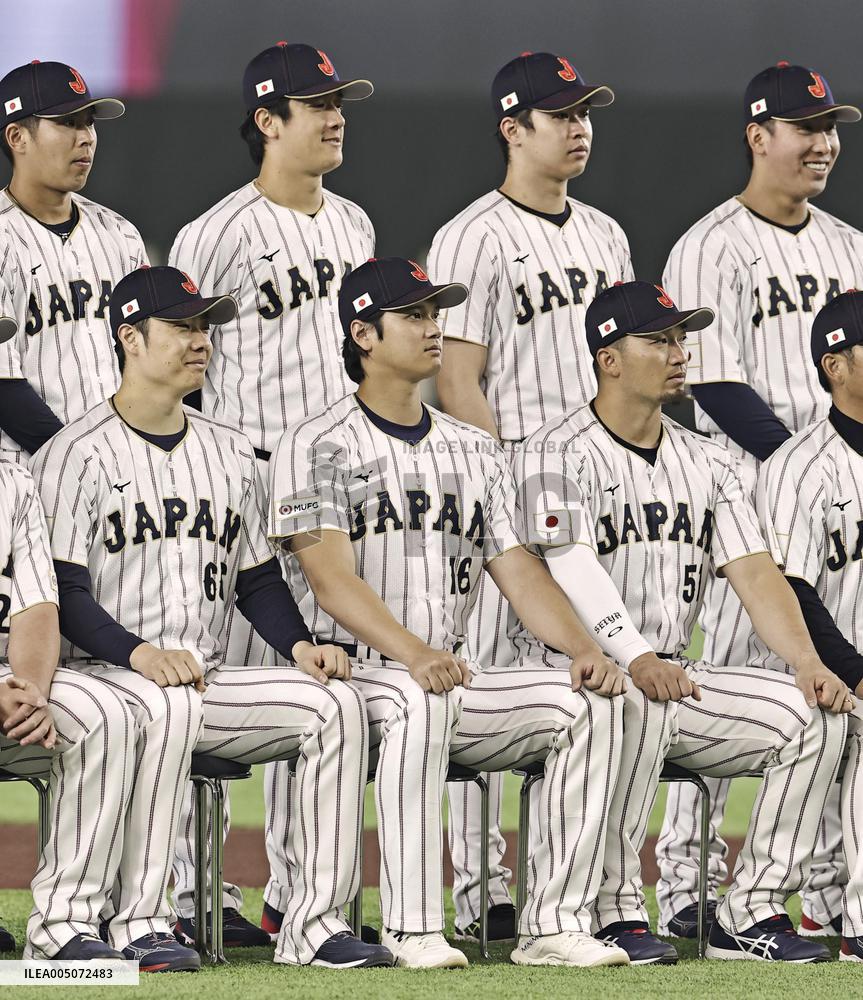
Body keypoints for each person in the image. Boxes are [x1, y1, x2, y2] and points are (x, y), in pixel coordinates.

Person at [269, 256, 635, 969]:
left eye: (435, 314)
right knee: (418, 700)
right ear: (363, 334)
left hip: (443, 675)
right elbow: (329, 578)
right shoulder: (311, 444)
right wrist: (412, 653)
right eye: (413, 315)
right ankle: (411, 927)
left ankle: (552, 925)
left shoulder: (473, 449)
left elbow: (519, 572)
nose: (433, 328)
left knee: (588, 704)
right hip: (354, 677)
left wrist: (580, 646)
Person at [29, 265, 391, 970]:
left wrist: (297, 645)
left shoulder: (230, 451)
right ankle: (140, 920)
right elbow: (64, 590)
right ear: (129, 337)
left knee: (334, 704)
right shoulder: (71, 453)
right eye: (183, 326)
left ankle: (312, 924)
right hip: (108, 672)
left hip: (203, 674)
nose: (202, 341)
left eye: (205, 327)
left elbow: (255, 577)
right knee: (161, 704)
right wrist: (136, 653)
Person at [514, 279, 851, 964]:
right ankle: (612, 911)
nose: (677, 352)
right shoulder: (548, 451)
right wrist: (634, 656)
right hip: (568, 670)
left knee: (816, 715)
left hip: (672, 670)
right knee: (632, 700)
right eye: (658, 339)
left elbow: (756, 573)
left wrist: (807, 664)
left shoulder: (712, 460)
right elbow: (568, 566)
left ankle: (749, 909)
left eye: (679, 337)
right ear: (608, 357)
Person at [168, 41, 375, 943]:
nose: (333, 115)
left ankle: (296, 895)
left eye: (338, 101)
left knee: (318, 684)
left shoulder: (356, 225)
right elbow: (177, 371)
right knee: (198, 694)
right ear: (266, 119)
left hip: (328, 492)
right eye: (313, 103)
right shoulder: (213, 235)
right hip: (239, 492)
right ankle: (189, 894)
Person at [426, 49, 630, 939]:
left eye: (584, 111)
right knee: (484, 697)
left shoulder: (607, 235)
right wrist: (495, 488)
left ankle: (568, 892)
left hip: (588, 489)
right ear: (513, 128)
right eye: (560, 114)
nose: (578, 126)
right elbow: (457, 379)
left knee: (585, 686)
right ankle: (480, 899)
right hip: (506, 496)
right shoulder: (470, 234)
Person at [657, 61, 863, 938]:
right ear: (757, 135)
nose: (821, 142)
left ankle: (816, 888)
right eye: (802, 127)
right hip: (741, 506)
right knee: (724, 698)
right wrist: (810, 462)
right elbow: (710, 384)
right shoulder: (709, 245)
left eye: (829, 127)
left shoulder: (848, 244)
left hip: (827, 501)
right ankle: (682, 887)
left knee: (829, 696)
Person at [0, 310, 131, 963]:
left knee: (103, 712)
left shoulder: (9, 476)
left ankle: (64, 924)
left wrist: (25, 689)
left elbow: (36, 604)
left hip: (6, 682)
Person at [756, 290, 863, 961]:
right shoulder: (797, 467)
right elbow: (788, 586)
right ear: (835, 366)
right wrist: (855, 672)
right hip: (824, 670)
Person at [0, 59, 147, 464]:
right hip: (20, 478)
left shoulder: (120, 235)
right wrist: (81, 461)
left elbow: (146, 362)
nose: (86, 138)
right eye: (67, 123)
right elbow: (3, 386)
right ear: (17, 136)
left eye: (89, 123)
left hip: (120, 472)